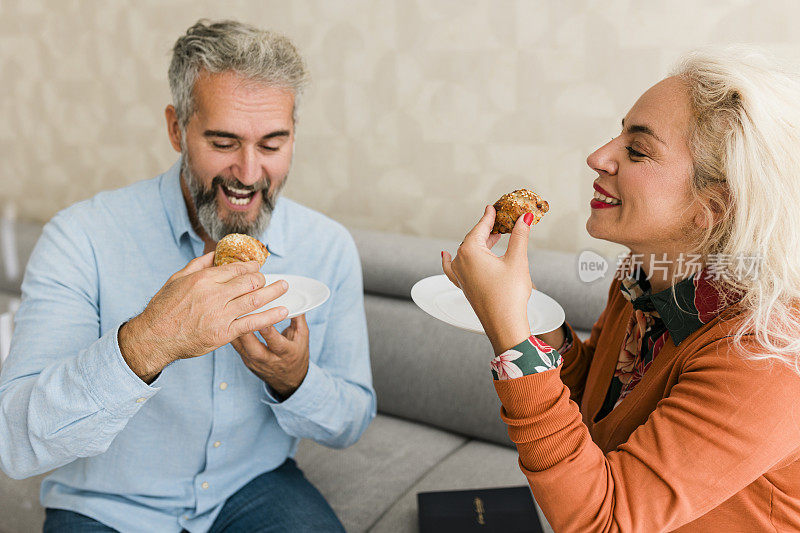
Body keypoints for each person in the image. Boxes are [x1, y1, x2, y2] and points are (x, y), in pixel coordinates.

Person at [0, 19, 375, 532]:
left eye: (271, 144)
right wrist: (149, 342)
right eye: (223, 142)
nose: (248, 173)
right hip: (107, 505)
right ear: (177, 128)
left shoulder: (327, 247)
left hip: (254, 487)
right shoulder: (79, 237)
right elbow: (15, 442)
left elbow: (352, 420)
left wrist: (294, 381)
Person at [442, 46, 800, 532]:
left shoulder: (767, 359)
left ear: (710, 209)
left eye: (637, 150)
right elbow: (602, 402)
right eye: (620, 132)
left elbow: (605, 522)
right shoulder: (644, 274)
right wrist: (528, 324)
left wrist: (512, 341)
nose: (597, 156)